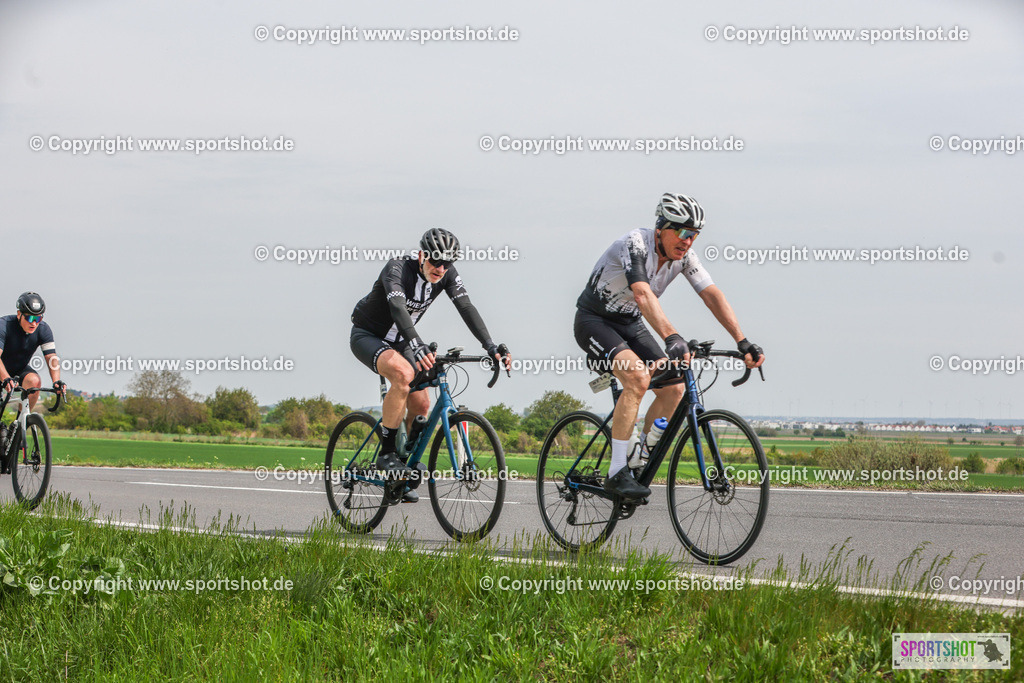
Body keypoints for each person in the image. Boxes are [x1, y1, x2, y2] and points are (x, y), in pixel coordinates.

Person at [574, 193, 764, 499]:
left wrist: (741, 341)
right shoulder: (634, 243)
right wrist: (672, 337)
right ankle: (616, 471)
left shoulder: (685, 258)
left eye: (695, 235)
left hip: (631, 323)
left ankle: (640, 454)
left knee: (675, 386)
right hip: (595, 321)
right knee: (637, 378)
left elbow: (711, 294)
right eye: (683, 232)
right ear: (661, 228)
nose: (688, 241)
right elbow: (642, 294)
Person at [350, 229, 510, 501]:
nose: (440, 268)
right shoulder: (397, 268)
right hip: (368, 335)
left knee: (423, 404)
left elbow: (467, 307)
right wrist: (416, 343)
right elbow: (399, 309)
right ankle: (387, 454)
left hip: (402, 341)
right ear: (422, 255)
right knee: (403, 375)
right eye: (435, 261)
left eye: (446, 263)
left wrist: (490, 346)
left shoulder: (446, 273)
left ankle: (400, 470)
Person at [0, 292, 67, 410]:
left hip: (18, 369)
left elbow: (52, 358)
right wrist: (5, 378)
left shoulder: (43, 330)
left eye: (38, 318)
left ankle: (21, 423)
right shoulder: (4, 325)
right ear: (19, 314)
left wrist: (56, 381)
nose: (34, 323)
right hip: (1, 368)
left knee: (34, 382)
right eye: (30, 318)